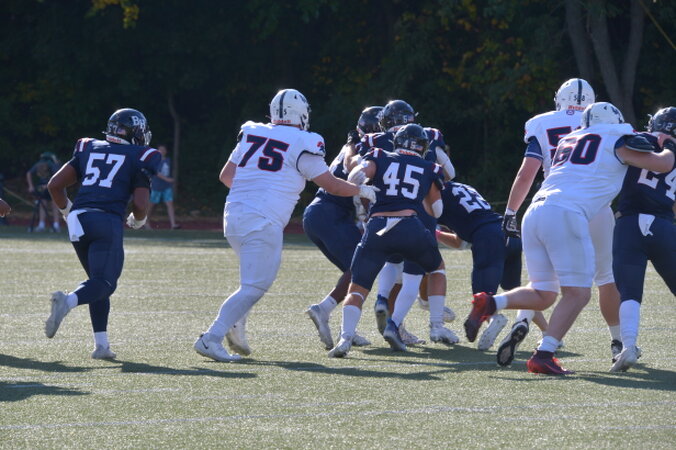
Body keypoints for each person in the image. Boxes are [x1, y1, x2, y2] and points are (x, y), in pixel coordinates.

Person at [464, 102, 675, 375]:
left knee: (543, 293)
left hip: (535, 211)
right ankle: (544, 354)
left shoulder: (570, 139)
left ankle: (490, 302)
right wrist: (669, 145)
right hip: (566, 213)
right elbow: (663, 164)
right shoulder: (616, 138)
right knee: (578, 293)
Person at [193, 89, 379, 362]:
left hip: (233, 215)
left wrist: (256, 192)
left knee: (250, 281)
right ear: (301, 114)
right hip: (262, 219)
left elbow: (226, 176)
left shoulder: (253, 132)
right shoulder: (304, 141)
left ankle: (235, 324)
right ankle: (211, 337)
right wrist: (361, 190)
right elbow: (331, 185)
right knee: (255, 286)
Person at [498, 78, 625, 364]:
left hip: (553, 202)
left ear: (559, 99)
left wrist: (510, 212)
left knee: (544, 278)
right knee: (606, 277)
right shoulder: (605, 124)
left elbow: (527, 173)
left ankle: (522, 319)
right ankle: (618, 341)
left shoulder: (542, 123)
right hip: (595, 205)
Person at [45, 108, 160, 359]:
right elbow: (140, 203)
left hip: (78, 220)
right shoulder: (141, 155)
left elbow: (55, 185)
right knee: (105, 283)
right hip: (105, 219)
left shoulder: (89, 147)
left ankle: (102, 345)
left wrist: (67, 211)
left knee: (97, 282)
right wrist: (139, 220)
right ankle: (68, 302)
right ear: (135, 133)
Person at [328, 123, 446, 357]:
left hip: (378, 227)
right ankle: (435, 326)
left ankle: (345, 338)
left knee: (357, 287)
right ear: (423, 146)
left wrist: (361, 184)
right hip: (409, 226)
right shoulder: (430, 167)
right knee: (436, 269)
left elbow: (356, 175)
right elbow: (437, 210)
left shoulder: (380, 155)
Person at [348, 100, 456, 344]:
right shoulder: (427, 135)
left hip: (382, 213)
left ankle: (382, 298)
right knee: (415, 273)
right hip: (417, 213)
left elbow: (355, 171)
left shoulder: (374, 142)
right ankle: (406, 325)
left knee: (391, 260)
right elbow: (450, 173)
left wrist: (362, 196)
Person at [303, 106, 383, 350]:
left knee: (356, 271)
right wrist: (367, 219)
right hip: (331, 214)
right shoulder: (364, 149)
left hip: (319, 212)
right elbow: (355, 180)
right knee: (362, 268)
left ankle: (346, 328)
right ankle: (324, 309)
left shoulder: (354, 144)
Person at [611, 106, 676, 372]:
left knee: (629, 292)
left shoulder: (637, 138)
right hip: (663, 226)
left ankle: (628, 345)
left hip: (629, 223)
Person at [433, 181, 530, 351]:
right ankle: (547, 333)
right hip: (509, 234)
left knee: (482, 299)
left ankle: (494, 319)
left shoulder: (435, 194)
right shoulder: (463, 188)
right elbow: (460, 242)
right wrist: (438, 234)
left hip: (488, 239)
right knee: (516, 291)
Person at [145, 144, 180, 230]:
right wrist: (167, 179)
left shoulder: (168, 160)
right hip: (156, 186)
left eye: (163, 149)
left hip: (166, 187)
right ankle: (146, 222)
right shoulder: (155, 161)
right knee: (151, 205)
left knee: (170, 204)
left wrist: (170, 180)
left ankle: (173, 224)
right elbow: (156, 173)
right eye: (160, 149)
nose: (162, 151)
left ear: (166, 151)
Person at [26, 151, 61, 232]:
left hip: (53, 188)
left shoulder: (54, 165)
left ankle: (56, 225)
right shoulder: (40, 164)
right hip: (43, 188)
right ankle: (41, 225)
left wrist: (47, 186)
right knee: (42, 205)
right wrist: (31, 186)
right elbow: (29, 173)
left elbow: (57, 178)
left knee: (54, 205)